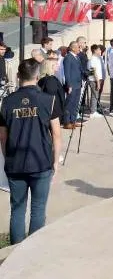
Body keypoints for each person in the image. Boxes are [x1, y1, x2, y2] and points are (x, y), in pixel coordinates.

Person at [0, 58, 62, 244]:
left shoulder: (6, 102)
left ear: (18, 76)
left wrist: (8, 157)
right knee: (38, 209)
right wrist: (55, 161)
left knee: (17, 209)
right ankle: (33, 250)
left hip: (15, 162)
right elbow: (57, 134)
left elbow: (2, 137)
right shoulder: (48, 100)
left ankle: (15, 249)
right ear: (37, 76)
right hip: (41, 161)